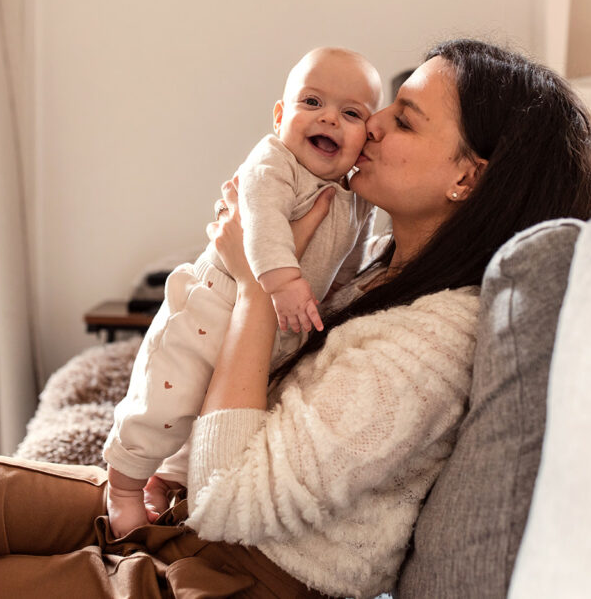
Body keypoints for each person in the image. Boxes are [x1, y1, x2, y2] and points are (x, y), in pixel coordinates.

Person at [0, 39, 591, 599]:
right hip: (187, 519)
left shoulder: (435, 342)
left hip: (233, 576)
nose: (369, 125)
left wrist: (250, 284)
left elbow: (240, 494)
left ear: (468, 176)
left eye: (402, 117)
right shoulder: (377, 264)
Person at [104, 46, 383, 538]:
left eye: (351, 113)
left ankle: (165, 479)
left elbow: (349, 260)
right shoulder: (274, 163)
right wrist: (283, 281)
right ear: (281, 116)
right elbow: (260, 220)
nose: (329, 119)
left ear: (366, 136)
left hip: (277, 325)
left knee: (212, 409)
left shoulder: (357, 197)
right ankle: (123, 485)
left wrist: (338, 294)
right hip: (214, 305)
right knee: (168, 400)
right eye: (312, 103)